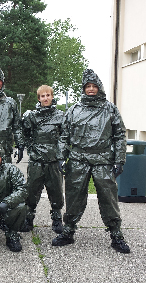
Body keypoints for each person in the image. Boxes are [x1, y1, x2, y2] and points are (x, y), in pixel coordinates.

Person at [52, 69, 130, 253]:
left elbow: (119, 135)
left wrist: (119, 159)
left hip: (102, 159)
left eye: (94, 86)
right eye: (88, 86)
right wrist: (61, 157)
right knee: (73, 196)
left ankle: (116, 234)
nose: (91, 89)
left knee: (108, 197)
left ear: (99, 88)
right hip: (78, 159)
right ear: (84, 88)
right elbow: (64, 136)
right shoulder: (74, 110)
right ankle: (68, 231)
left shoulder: (109, 108)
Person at [20, 85, 64, 234]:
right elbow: (24, 132)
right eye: (42, 96)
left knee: (56, 190)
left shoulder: (60, 116)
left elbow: (65, 137)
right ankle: (28, 217)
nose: (45, 98)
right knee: (32, 190)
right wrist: (30, 148)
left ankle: (57, 219)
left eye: (48, 95)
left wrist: (61, 155)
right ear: (38, 99)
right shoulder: (31, 116)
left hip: (53, 160)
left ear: (52, 96)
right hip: (36, 160)